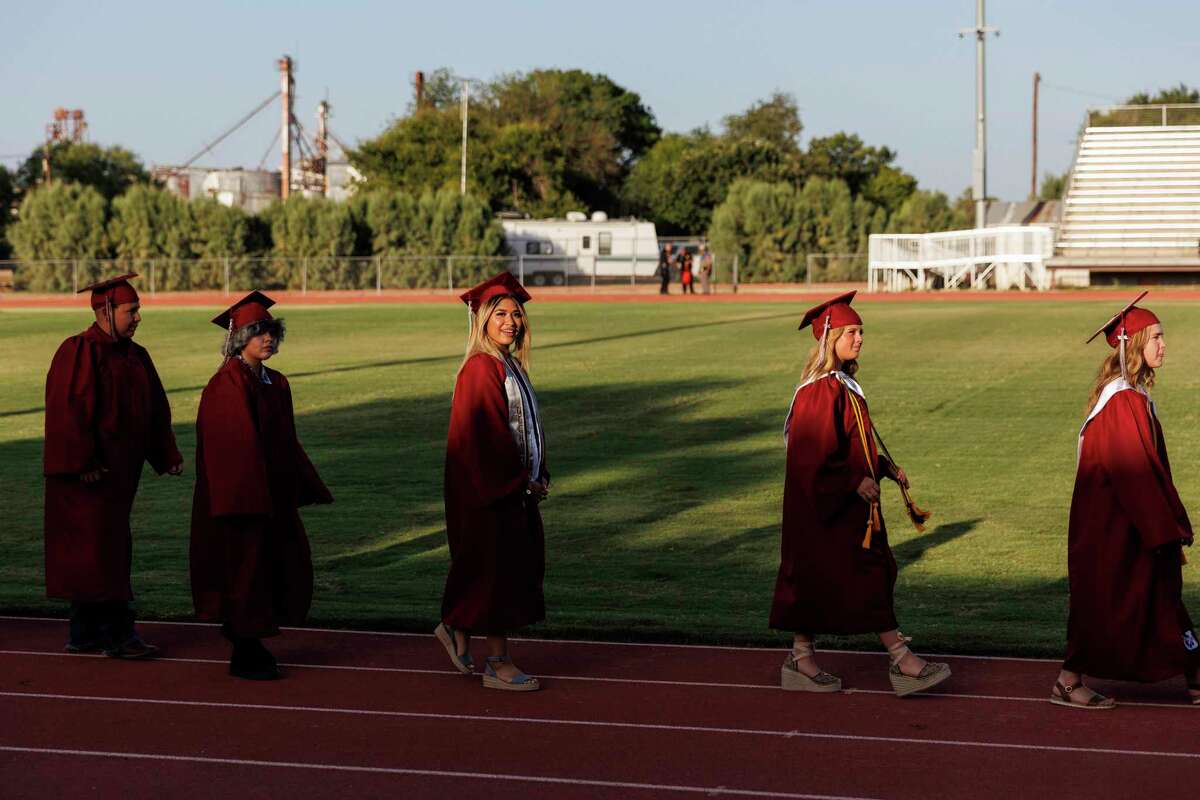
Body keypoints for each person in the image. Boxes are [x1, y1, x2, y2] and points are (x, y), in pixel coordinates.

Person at [769, 291, 950, 696]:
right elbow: (810, 455)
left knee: (819, 578)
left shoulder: (842, 385)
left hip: (845, 506)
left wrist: (882, 467)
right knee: (866, 572)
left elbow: (849, 446)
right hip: (829, 508)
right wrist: (853, 481)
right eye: (851, 332)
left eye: (861, 331)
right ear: (829, 338)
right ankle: (902, 659)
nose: (859, 338)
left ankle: (800, 658)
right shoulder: (820, 390)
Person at [1052, 293, 1199, 709]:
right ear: (1132, 344)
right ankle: (1069, 679)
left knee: (1151, 597)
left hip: (1126, 522)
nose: (1164, 345)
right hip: (1117, 526)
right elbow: (1134, 474)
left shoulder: (1130, 395)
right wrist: (1165, 529)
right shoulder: (1122, 401)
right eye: (1156, 338)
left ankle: (1192, 671)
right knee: (1116, 600)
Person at [190, 291, 333, 680]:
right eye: (257, 332)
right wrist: (249, 499)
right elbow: (230, 449)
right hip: (241, 500)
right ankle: (245, 647)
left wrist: (302, 484)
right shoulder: (226, 384)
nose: (267, 338)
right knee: (245, 571)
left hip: (270, 496)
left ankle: (247, 637)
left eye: (271, 331)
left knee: (275, 567)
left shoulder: (276, 382)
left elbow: (286, 441)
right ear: (239, 338)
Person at [43, 273, 183, 659]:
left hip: (119, 475)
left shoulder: (136, 355)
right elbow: (67, 410)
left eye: (138, 310)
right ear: (106, 310)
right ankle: (118, 635)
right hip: (88, 476)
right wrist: (82, 461)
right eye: (131, 310)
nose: (138, 317)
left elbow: (154, 408)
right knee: (104, 552)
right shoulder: (79, 350)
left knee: (96, 551)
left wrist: (166, 454)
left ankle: (84, 631)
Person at [436, 271, 548, 692]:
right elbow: (488, 438)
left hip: (509, 488)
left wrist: (538, 474)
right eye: (500, 313)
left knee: (500, 570)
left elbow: (526, 429)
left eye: (515, 314)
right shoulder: (481, 368)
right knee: (497, 575)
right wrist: (521, 482)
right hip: (489, 491)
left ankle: (456, 625)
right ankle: (497, 662)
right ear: (482, 319)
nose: (510, 322)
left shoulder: (508, 365)